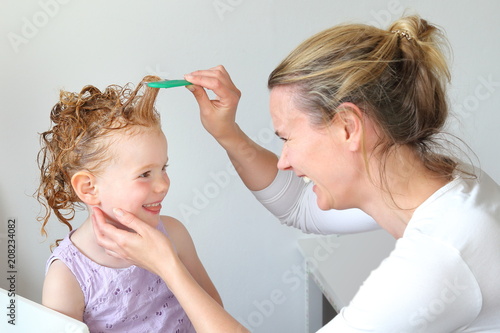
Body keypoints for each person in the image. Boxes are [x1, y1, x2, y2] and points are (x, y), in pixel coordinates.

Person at [93, 15, 500, 332]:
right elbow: (300, 206)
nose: (284, 160)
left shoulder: (439, 261)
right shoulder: (452, 184)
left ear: (347, 127)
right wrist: (227, 134)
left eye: (287, 138)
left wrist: (168, 267)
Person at [36, 76, 223, 332]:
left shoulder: (174, 235)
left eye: (163, 168)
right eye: (145, 174)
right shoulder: (68, 277)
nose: (163, 185)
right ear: (89, 188)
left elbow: (214, 312)